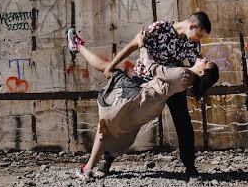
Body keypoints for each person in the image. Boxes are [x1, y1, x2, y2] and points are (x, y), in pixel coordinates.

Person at [66, 27, 218, 182]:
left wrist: (142, 44)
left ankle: (78, 45)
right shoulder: (186, 77)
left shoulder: (182, 73)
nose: (202, 58)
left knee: (109, 71)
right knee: (112, 127)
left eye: (206, 62)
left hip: (143, 97)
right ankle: (90, 167)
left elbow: (152, 67)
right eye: (199, 36)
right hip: (150, 107)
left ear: (201, 73)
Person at [98, 12, 212, 177]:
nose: (198, 39)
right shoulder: (159, 28)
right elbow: (134, 45)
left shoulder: (192, 44)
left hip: (171, 85)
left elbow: (197, 67)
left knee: (183, 123)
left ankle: (190, 167)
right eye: (199, 35)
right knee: (129, 121)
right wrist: (111, 65)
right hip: (145, 83)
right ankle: (107, 160)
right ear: (192, 26)